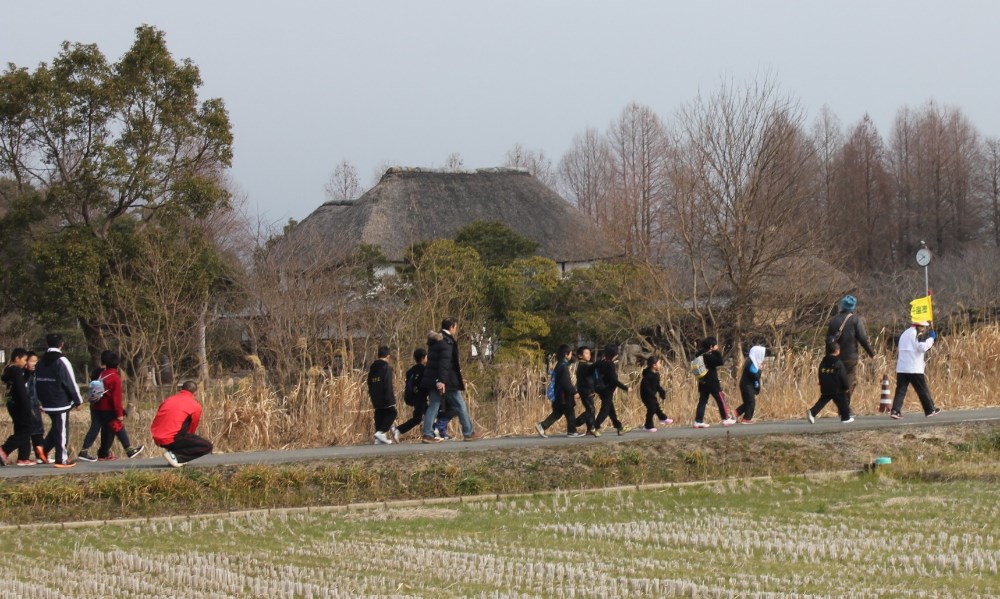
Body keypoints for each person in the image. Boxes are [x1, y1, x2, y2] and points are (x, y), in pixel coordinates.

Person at [77, 350, 144, 462]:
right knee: (118, 426)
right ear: (117, 364)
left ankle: (84, 450)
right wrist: (119, 413)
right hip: (108, 409)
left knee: (94, 429)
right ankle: (129, 449)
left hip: (96, 407)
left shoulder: (102, 374)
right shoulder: (115, 377)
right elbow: (116, 398)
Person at [420, 317, 477, 443]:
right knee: (460, 404)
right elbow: (444, 364)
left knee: (434, 405)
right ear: (451, 327)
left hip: (434, 379)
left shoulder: (435, 340)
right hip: (447, 381)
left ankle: (427, 434)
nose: (456, 329)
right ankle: (468, 432)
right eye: (456, 327)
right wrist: (441, 381)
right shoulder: (446, 342)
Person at [34, 333, 84, 467]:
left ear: (47, 344)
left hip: (46, 401)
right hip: (60, 401)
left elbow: (37, 382)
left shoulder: (40, 362)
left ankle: (42, 449)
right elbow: (70, 382)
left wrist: (39, 400)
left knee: (57, 428)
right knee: (62, 430)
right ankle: (61, 459)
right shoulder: (62, 361)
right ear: (62, 344)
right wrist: (78, 400)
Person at [826, 295, 876, 414]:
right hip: (850, 357)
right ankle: (845, 408)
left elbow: (828, 341)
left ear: (842, 305)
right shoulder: (855, 320)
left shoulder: (833, 321)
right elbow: (862, 338)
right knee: (850, 381)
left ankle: (842, 407)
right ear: (853, 307)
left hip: (835, 357)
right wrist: (871, 353)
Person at [150, 380, 213, 467]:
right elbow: (192, 428)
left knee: (181, 430)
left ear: (181, 390)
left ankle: (175, 456)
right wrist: (189, 443)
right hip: (172, 439)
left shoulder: (168, 400)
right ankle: (176, 457)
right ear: (195, 393)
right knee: (207, 446)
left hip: (157, 438)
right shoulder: (195, 405)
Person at [890, 320, 941, 419]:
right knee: (921, 389)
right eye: (923, 327)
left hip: (902, 367)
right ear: (919, 326)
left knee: (901, 390)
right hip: (914, 367)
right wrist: (931, 338)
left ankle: (895, 411)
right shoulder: (917, 334)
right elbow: (922, 347)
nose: (924, 329)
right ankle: (930, 410)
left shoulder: (905, 333)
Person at [535, 344, 582, 438]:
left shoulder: (559, 364)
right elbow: (566, 382)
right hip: (564, 395)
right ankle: (572, 431)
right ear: (566, 354)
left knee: (557, 413)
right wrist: (574, 392)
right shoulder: (563, 366)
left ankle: (542, 426)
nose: (571, 355)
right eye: (570, 353)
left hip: (558, 394)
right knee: (570, 412)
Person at [1, 348, 34, 466]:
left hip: (11, 403)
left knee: (21, 428)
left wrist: (29, 372)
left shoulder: (9, 369)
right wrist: (27, 407)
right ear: (17, 359)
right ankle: (4, 449)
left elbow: (18, 382)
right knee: (26, 429)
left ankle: (23, 457)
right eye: (25, 360)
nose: (26, 362)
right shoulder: (16, 370)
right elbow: (21, 389)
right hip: (20, 404)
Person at [692, 337, 734, 428]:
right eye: (715, 345)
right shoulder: (709, 355)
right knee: (720, 399)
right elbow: (720, 361)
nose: (717, 347)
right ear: (711, 346)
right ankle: (725, 418)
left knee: (702, 401)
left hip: (702, 381)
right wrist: (716, 351)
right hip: (712, 382)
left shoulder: (699, 354)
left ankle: (698, 421)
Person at [807, 341, 853, 423]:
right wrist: (846, 387)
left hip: (826, 386)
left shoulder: (823, 362)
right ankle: (845, 417)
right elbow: (843, 376)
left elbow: (820, 372)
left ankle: (812, 412)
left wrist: (821, 382)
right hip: (837, 387)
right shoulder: (838, 362)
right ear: (837, 351)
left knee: (823, 400)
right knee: (843, 401)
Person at [593, 344, 630, 435]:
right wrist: (625, 388)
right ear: (615, 354)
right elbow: (614, 380)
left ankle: (619, 427)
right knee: (605, 410)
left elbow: (590, 370)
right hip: (607, 390)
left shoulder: (600, 362)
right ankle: (595, 427)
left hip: (600, 389)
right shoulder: (610, 365)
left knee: (611, 409)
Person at [395, 348, 428, 442]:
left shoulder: (411, 371)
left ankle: (431, 432)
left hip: (413, 397)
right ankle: (398, 430)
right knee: (417, 419)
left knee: (429, 413)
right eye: (426, 356)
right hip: (420, 397)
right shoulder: (423, 369)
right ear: (423, 358)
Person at [367, 345, 398, 445]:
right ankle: (381, 432)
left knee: (379, 414)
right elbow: (387, 383)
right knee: (392, 413)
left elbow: (369, 382)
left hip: (374, 395)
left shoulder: (372, 368)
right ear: (388, 356)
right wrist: (391, 399)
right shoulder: (386, 367)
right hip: (385, 396)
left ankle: (378, 438)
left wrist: (372, 394)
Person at [24, 351, 50, 464]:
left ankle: (40, 456)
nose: (35, 363)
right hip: (28, 406)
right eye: (32, 361)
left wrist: (39, 403)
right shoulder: (25, 375)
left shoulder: (34, 374)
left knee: (37, 431)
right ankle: (32, 456)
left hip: (34, 405)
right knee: (31, 431)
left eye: (36, 361)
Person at [639, 355, 672, 432]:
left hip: (651, 394)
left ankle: (662, 418)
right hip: (645, 395)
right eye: (659, 363)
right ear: (654, 365)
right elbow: (645, 387)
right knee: (652, 408)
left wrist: (662, 392)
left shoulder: (656, 375)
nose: (660, 365)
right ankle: (648, 426)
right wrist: (652, 395)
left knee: (655, 407)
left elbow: (657, 386)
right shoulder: (647, 375)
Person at [572, 346, 600, 436]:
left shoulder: (585, 365)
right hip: (585, 391)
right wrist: (600, 363)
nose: (589, 355)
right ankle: (574, 423)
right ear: (580, 356)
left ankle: (590, 429)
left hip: (588, 390)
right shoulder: (582, 366)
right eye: (586, 353)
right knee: (591, 410)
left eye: (589, 353)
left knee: (591, 409)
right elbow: (591, 369)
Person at [735, 345, 766, 423]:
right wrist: (759, 370)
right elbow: (755, 376)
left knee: (748, 402)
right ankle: (746, 419)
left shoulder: (752, 362)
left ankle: (736, 413)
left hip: (747, 385)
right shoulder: (751, 364)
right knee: (751, 402)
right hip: (747, 386)